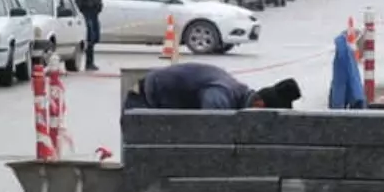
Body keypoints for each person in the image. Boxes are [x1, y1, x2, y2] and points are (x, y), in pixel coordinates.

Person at [123, 63, 301, 110]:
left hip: (161, 101)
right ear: (259, 105)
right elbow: (209, 131)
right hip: (144, 101)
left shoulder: (235, 92)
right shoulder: (221, 97)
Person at [71, 0, 104, 72]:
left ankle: (90, 62)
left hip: (94, 13)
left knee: (95, 37)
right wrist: (83, 12)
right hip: (87, 13)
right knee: (89, 37)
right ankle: (88, 63)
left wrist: (99, 6)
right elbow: (78, 1)